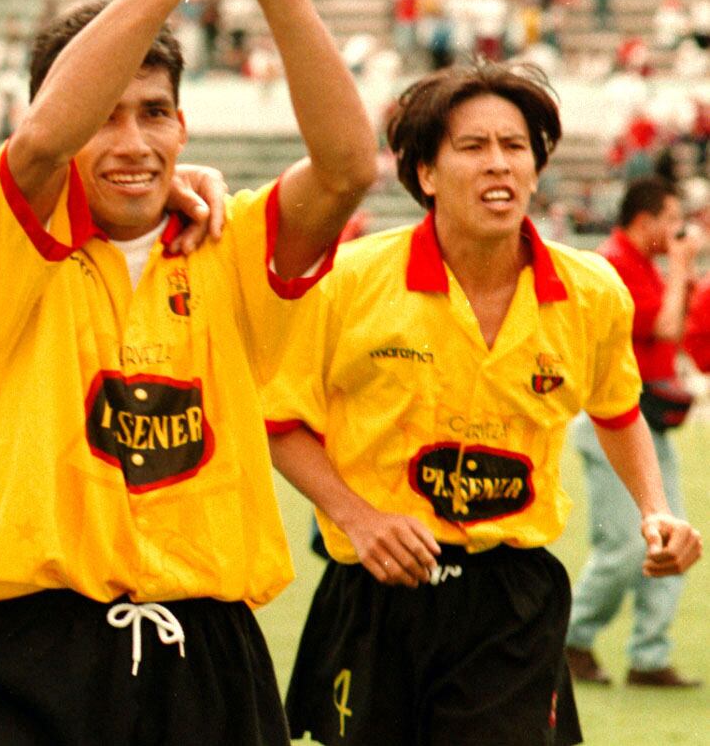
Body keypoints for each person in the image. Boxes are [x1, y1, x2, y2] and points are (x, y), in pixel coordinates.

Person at [0, 0, 378, 746]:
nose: (133, 144)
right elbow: (42, 143)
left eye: (153, 115)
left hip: (207, 649)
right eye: (104, 117)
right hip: (35, 650)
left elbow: (346, 168)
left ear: (184, 125)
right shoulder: (1, 239)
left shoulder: (231, 240)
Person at [266, 62, 702, 745]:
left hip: (511, 597)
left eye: (515, 146)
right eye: (473, 146)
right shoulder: (348, 282)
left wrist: (655, 509)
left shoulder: (592, 292)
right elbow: (279, 422)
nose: (498, 163)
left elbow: (618, 411)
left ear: (536, 167)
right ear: (426, 173)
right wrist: (360, 518)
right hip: (378, 589)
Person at [565, 176, 703, 688]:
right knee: (624, 546)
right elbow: (663, 327)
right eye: (671, 220)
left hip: (649, 423)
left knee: (674, 536)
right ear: (644, 222)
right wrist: (682, 266)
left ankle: (649, 654)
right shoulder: (614, 265)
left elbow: (677, 329)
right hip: (612, 421)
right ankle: (571, 640)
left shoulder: (643, 263)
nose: (679, 230)